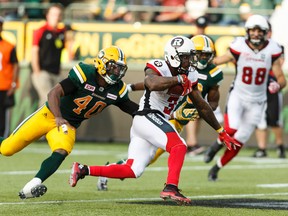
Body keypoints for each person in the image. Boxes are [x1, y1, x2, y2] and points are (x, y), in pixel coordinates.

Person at [69, 35, 239, 205]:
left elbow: (202, 105)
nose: (190, 61)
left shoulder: (190, 74)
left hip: (154, 121)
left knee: (133, 169)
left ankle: (83, 169)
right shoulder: (159, 66)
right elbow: (151, 82)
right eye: (186, 57)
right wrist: (177, 79)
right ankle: (171, 187)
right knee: (179, 146)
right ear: (174, 56)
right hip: (147, 116)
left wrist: (221, 131)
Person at [0, 45, 139, 199]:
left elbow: (134, 110)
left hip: (68, 124)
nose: (116, 72)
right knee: (7, 149)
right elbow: (53, 93)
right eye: (113, 67)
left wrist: (155, 115)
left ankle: (32, 185)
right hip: (49, 115)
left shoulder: (117, 90)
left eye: (120, 69)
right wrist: (58, 116)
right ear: (101, 63)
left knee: (62, 150)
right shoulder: (85, 74)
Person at [204, 14, 287, 181]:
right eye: (253, 30)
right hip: (238, 96)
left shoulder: (273, 49)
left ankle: (216, 167)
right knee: (231, 129)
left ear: (265, 32)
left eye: (259, 30)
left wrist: (277, 85)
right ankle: (216, 145)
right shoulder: (239, 45)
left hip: (258, 102)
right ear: (247, 31)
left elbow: (281, 78)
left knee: (238, 141)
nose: (256, 34)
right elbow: (220, 60)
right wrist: (203, 63)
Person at [252, 21, 286, 159]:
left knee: (274, 117)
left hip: (271, 83)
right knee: (258, 118)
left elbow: (279, 63)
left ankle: (280, 146)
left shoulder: (276, 47)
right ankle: (262, 148)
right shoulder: (253, 47)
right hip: (257, 85)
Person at [31, 3, 66, 108]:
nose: (56, 17)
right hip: (43, 72)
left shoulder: (61, 32)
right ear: (48, 15)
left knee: (59, 100)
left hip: (55, 72)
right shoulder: (41, 30)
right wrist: (37, 71)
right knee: (47, 99)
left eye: (58, 14)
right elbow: (34, 51)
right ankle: (41, 124)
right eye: (53, 14)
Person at [0, 16, 19, 138]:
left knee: (2, 118)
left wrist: (13, 83)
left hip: (4, 86)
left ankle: (2, 141)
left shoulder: (9, 46)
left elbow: (16, 65)